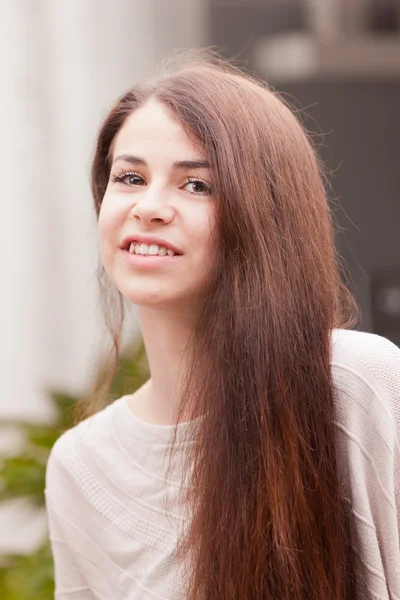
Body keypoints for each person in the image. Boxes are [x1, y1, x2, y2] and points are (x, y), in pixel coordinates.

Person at [45, 53, 400, 600]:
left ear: (265, 215)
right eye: (130, 177)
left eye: (197, 186)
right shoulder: (81, 467)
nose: (150, 207)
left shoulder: (356, 384)